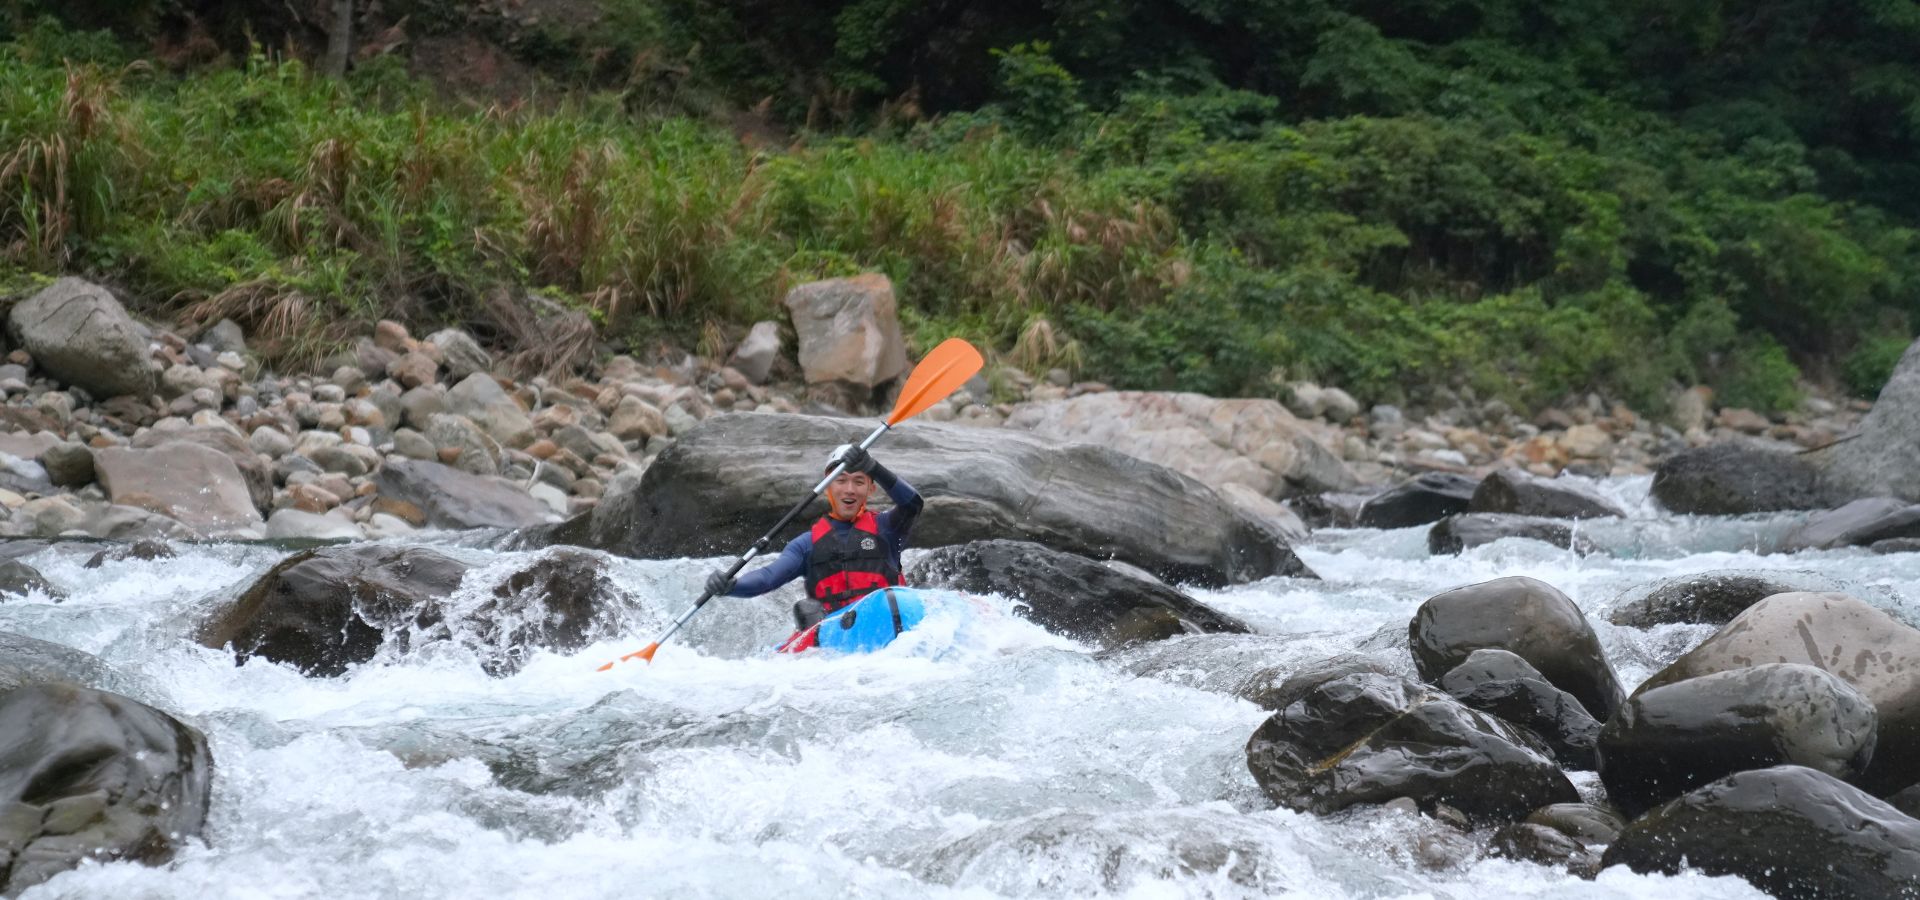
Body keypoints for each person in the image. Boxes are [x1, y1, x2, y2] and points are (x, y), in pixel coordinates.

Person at [705, 444, 923, 641]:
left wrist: (874, 467)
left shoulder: (887, 528)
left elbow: (913, 504)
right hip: (837, 633)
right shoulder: (806, 545)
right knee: (806, 610)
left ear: (870, 489)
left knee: (894, 599)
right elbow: (768, 578)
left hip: (886, 617)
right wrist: (731, 586)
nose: (849, 489)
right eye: (841, 480)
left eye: (859, 481)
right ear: (828, 486)